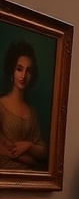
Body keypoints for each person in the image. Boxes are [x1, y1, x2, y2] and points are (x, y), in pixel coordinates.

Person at [0, 40, 47, 170]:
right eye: (19, 69)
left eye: (29, 71)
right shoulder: (1, 105)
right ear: (12, 71)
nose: (23, 75)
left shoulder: (32, 112)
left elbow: (44, 152)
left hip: (29, 178)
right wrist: (30, 161)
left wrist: (29, 145)